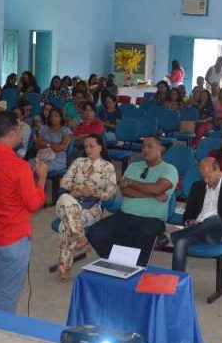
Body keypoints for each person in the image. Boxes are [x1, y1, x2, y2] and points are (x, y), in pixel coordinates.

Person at [0, 112, 48, 312]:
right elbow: (33, 204)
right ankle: (0, 333)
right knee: (8, 292)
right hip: (14, 236)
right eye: (20, 127)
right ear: (13, 132)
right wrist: (41, 180)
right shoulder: (18, 166)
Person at [87, 135, 177, 261]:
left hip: (152, 219)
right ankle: (114, 260)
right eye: (143, 146)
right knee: (95, 232)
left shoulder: (169, 169)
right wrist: (153, 194)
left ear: (161, 148)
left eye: (150, 146)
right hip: (125, 215)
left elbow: (157, 188)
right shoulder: (134, 166)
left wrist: (131, 182)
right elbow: (125, 191)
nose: (145, 149)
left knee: (139, 238)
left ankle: (133, 267)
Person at [55, 133, 118, 282]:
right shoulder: (78, 162)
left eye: (92, 146)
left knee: (66, 225)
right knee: (65, 198)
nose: (88, 149)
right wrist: (77, 189)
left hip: (91, 208)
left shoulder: (107, 167)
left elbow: (111, 193)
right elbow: (64, 182)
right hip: (69, 204)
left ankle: (64, 270)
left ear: (100, 147)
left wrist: (94, 192)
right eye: (86, 146)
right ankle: (82, 237)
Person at [172, 157, 222, 271]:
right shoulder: (197, 186)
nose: (205, 180)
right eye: (203, 176)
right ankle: (176, 281)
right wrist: (190, 221)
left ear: (218, 171)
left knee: (214, 219)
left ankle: (177, 234)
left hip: (219, 231)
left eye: (208, 177)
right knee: (180, 243)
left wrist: (217, 222)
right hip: (198, 230)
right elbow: (188, 212)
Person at [36, 109, 72, 174]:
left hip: (57, 160)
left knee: (38, 169)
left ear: (61, 118)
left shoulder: (65, 131)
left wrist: (46, 144)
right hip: (42, 157)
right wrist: (55, 146)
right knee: (28, 166)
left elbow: (62, 148)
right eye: (51, 116)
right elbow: (38, 144)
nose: (53, 118)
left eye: (56, 116)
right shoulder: (43, 128)